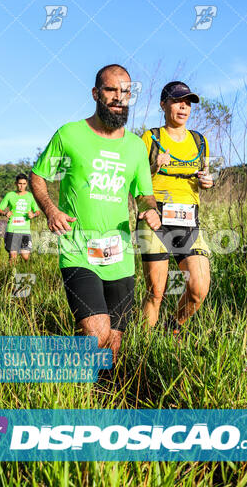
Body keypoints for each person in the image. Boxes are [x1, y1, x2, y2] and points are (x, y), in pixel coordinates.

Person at [29, 64, 160, 364]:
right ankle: (57, 378)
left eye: (125, 91)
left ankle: (100, 398)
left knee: (114, 342)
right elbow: (38, 176)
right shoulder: (70, 135)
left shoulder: (136, 147)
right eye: (111, 90)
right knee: (96, 334)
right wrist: (50, 210)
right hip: (77, 250)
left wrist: (151, 210)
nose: (119, 97)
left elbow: (144, 193)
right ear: (95, 93)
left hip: (120, 255)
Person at [137, 81, 214, 336]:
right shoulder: (151, 137)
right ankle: (144, 350)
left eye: (188, 102)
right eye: (177, 101)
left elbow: (204, 178)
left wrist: (208, 182)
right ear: (163, 104)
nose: (183, 106)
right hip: (156, 217)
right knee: (156, 293)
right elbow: (134, 179)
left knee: (198, 288)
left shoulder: (199, 140)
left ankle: (172, 330)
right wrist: (153, 166)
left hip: (189, 218)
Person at [0, 173, 40, 264]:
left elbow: (37, 211)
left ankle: (24, 274)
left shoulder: (30, 196)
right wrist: (5, 213)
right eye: (20, 184)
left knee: (26, 257)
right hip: (12, 229)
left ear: (26, 184)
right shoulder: (10, 195)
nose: (21, 186)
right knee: (13, 256)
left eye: (24, 184)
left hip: (25, 231)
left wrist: (33, 215)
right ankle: (10, 277)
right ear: (16, 183)